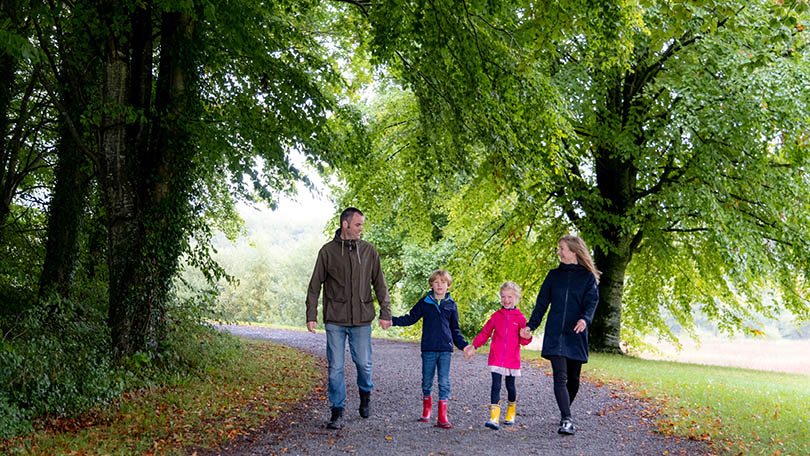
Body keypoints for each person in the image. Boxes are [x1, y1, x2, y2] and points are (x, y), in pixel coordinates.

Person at [306, 207, 393, 430]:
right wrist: (311, 314)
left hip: (362, 319)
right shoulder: (327, 252)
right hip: (335, 318)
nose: (361, 229)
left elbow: (380, 285)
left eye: (362, 225)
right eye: (358, 225)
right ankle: (337, 410)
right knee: (335, 367)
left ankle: (365, 395)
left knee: (363, 364)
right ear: (345, 225)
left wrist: (386, 312)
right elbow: (315, 285)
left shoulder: (369, 251)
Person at [520, 235, 600, 436]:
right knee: (560, 377)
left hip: (576, 333)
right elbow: (541, 304)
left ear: (573, 251)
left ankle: (565, 411)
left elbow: (591, 302)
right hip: (555, 333)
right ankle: (567, 419)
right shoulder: (553, 276)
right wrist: (531, 325)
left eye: (562, 248)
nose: (559, 251)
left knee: (574, 380)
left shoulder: (588, 278)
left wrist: (584, 319)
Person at [392, 269, 469, 428]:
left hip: (445, 350)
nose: (440, 285)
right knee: (427, 381)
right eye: (436, 282)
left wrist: (464, 346)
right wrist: (391, 321)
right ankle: (427, 410)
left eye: (443, 282)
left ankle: (442, 416)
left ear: (448, 286)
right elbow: (410, 318)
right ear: (432, 284)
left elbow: (455, 330)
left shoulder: (451, 305)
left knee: (444, 382)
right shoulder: (424, 302)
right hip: (428, 349)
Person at [464, 281, 532, 430]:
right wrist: (474, 346)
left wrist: (526, 336)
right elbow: (485, 333)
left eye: (509, 297)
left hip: (512, 360)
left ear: (516, 298)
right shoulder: (496, 316)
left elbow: (524, 340)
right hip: (496, 358)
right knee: (495, 386)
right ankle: (494, 418)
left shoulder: (520, 318)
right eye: (503, 297)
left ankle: (511, 412)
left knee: (510, 387)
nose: (506, 300)